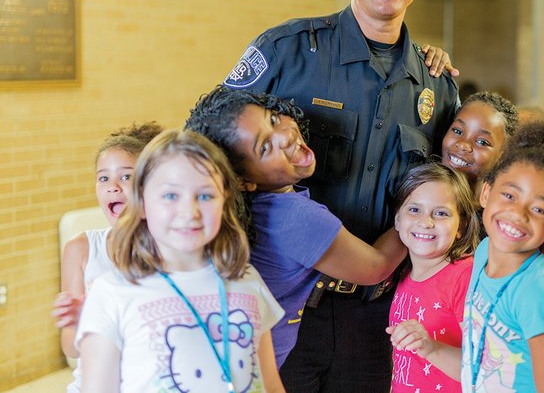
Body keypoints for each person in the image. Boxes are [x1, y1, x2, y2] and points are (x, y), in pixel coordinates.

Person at [222, 0, 460, 390]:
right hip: (281, 305)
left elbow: (445, 191)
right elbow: (210, 146)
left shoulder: (435, 83)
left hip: (378, 317)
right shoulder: (286, 51)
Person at [185, 85, 408, 368]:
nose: (285, 135)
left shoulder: (245, 210)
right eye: (264, 147)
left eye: (273, 119)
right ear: (243, 181)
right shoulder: (292, 217)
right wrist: (415, 214)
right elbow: (376, 267)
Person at [76, 130, 285, 393]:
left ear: (224, 200)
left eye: (206, 195)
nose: (190, 211)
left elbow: (271, 385)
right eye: (171, 196)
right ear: (141, 203)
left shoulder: (247, 279)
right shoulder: (112, 293)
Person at [462, 119, 544, 392]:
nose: (518, 213)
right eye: (509, 195)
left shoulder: (539, 294)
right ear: (486, 193)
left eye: (539, 209)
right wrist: (431, 349)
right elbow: (477, 370)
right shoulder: (483, 252)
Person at [52, 121, 163, 393]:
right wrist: (80, 323)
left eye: (126, 176)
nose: (113, 186)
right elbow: (70, 348)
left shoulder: (171, 249)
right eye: (103, 178)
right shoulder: (80, 249)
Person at [385, 162, 480, 392]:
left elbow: (483, 370)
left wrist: (431, 348)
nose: (425, 222)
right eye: (414, 209)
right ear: (398, 219)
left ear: (461, 225)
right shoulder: (403, 275)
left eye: (440, 213)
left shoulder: (464, 277)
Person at [441, 91, 518, 199]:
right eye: (457, 131)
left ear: (502, 156)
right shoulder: (417, 192)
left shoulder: (493, 213)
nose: (463, 144)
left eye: (482, 142)